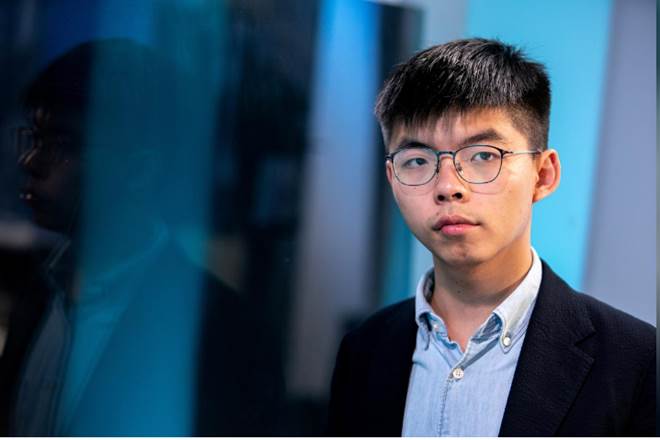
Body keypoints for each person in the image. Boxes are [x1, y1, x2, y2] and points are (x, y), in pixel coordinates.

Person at [328, 38, 655, 436]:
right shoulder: (364, 350)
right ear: (392, 178)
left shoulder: (637, 362)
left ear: (543, 175)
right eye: (417, 160)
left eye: (483, 155)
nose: (448, 187)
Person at [0, 39, 282, 436]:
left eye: (61, 144)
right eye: (34, 138)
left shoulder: (224, 333)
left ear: (139, 169)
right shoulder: (38, 295)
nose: (29, 161)